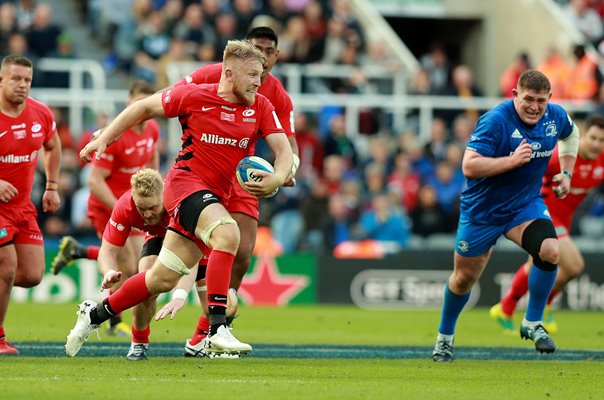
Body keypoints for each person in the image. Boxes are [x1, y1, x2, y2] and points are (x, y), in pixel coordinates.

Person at [66, 39, 293, 358]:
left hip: (216, 197)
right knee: (228, 234)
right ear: (228, 73)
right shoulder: (194, 97)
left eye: (262, 75)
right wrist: (105, 138)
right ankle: (217, 330)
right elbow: (143, 107)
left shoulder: (261, 107)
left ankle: (93, 316)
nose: (260, 81)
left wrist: (278, 178)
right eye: (253, 75)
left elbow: (284, 152)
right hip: (184, 185)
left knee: (160, 279)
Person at [163, 26, 300, 357]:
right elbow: (173, 98)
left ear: (277, 56)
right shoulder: (211, 74)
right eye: (257, 49)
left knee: (243, 249)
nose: (263, 57)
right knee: (200, 248)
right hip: (199, 171)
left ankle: (209, 329)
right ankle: (207, 322)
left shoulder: (276, 95)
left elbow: (288, 145)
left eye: (269, 51)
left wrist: (287, 171)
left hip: (243, 175)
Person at [431, 70, 579, 362]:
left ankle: (532, 322)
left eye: (541, 100)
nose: (535, 106)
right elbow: (469, 167)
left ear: (549, 99)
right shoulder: (495, 120)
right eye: (528, 99)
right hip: (482, 211)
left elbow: (572, 135)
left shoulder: (555, 117)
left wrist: (567, 172)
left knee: (550, 250)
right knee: (463, 280)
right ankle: (444, 339)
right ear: (515, 95)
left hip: (524, 205)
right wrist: (511, 161)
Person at [51, 80, 160, 336]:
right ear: (128, 103)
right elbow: (93, 180)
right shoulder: (116, 136)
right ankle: (113, 323)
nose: (144, 110)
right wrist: (122, 209)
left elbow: (152, 162)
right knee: (129, 266)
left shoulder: (153, 128)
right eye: (138, 104)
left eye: (148, 104)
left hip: (136, 206)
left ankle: (77, 250)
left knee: (134, 265)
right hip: (107, 207)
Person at [490, 115, 604, 334]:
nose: (597, 144)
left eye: (602, 140)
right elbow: (528, 171)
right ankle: (543, 305)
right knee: (574, 266)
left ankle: (506, 308)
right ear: (583, 135)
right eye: (593, 138)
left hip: (565, 218)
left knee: (536, 264)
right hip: (546, 213)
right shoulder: (560, 157)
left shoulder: (601, 160)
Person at [0, 54, 61, 354]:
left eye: (27, 80)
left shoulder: (40, 114)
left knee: (32, 275)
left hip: (23, 208)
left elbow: (53, 145)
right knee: (6, 266)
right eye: (15, 79)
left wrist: (51, 186)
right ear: (1, 80)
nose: (22, 85)